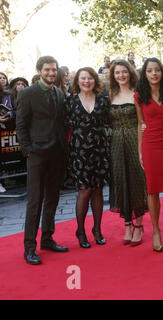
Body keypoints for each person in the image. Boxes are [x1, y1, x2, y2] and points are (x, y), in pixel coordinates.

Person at [16, 56, 69, 265]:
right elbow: (21, 124)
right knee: (35, 201)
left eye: (54, 70)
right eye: (47, 70)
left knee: (53, 199)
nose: (51, 73)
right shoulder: (28, 93)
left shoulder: (58, 93)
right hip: (36, 154)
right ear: (39, 70)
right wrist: (28, 150)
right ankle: (30, 247)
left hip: (57, 153)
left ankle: (47, 239)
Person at [135, 57, 163, 253]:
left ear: (162, 72)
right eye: (150, 70)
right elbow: (140, 124)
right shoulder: (139, 96)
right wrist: (139, 152)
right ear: (145, 74)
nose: (154, 73)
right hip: (150, 145)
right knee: (152, 190)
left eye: (157, 70)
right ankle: (155, 230)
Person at [67, 67, 109, 249]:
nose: (86, 81)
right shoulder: (70, 101)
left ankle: (97, 229)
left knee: (98, 189)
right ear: (77, 81)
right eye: (83, 78)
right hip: (79, 151)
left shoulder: (103, 99)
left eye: (89, 78)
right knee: (84, 190)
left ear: (95, 81)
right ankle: (81, 231)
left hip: (100, 149)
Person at [109, 59, 148, 246]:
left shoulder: (137, 94)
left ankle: (139, 225)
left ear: (130, 73)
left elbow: (142, 122)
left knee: (137, 180)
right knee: (120, 180)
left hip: (134, 139)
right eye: (117, 73)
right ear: (113, 75)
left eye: (124, 72)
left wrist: (142, 148)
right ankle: (127, 223)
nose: (121, 76)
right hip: (116, 142)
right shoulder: (109, 94)